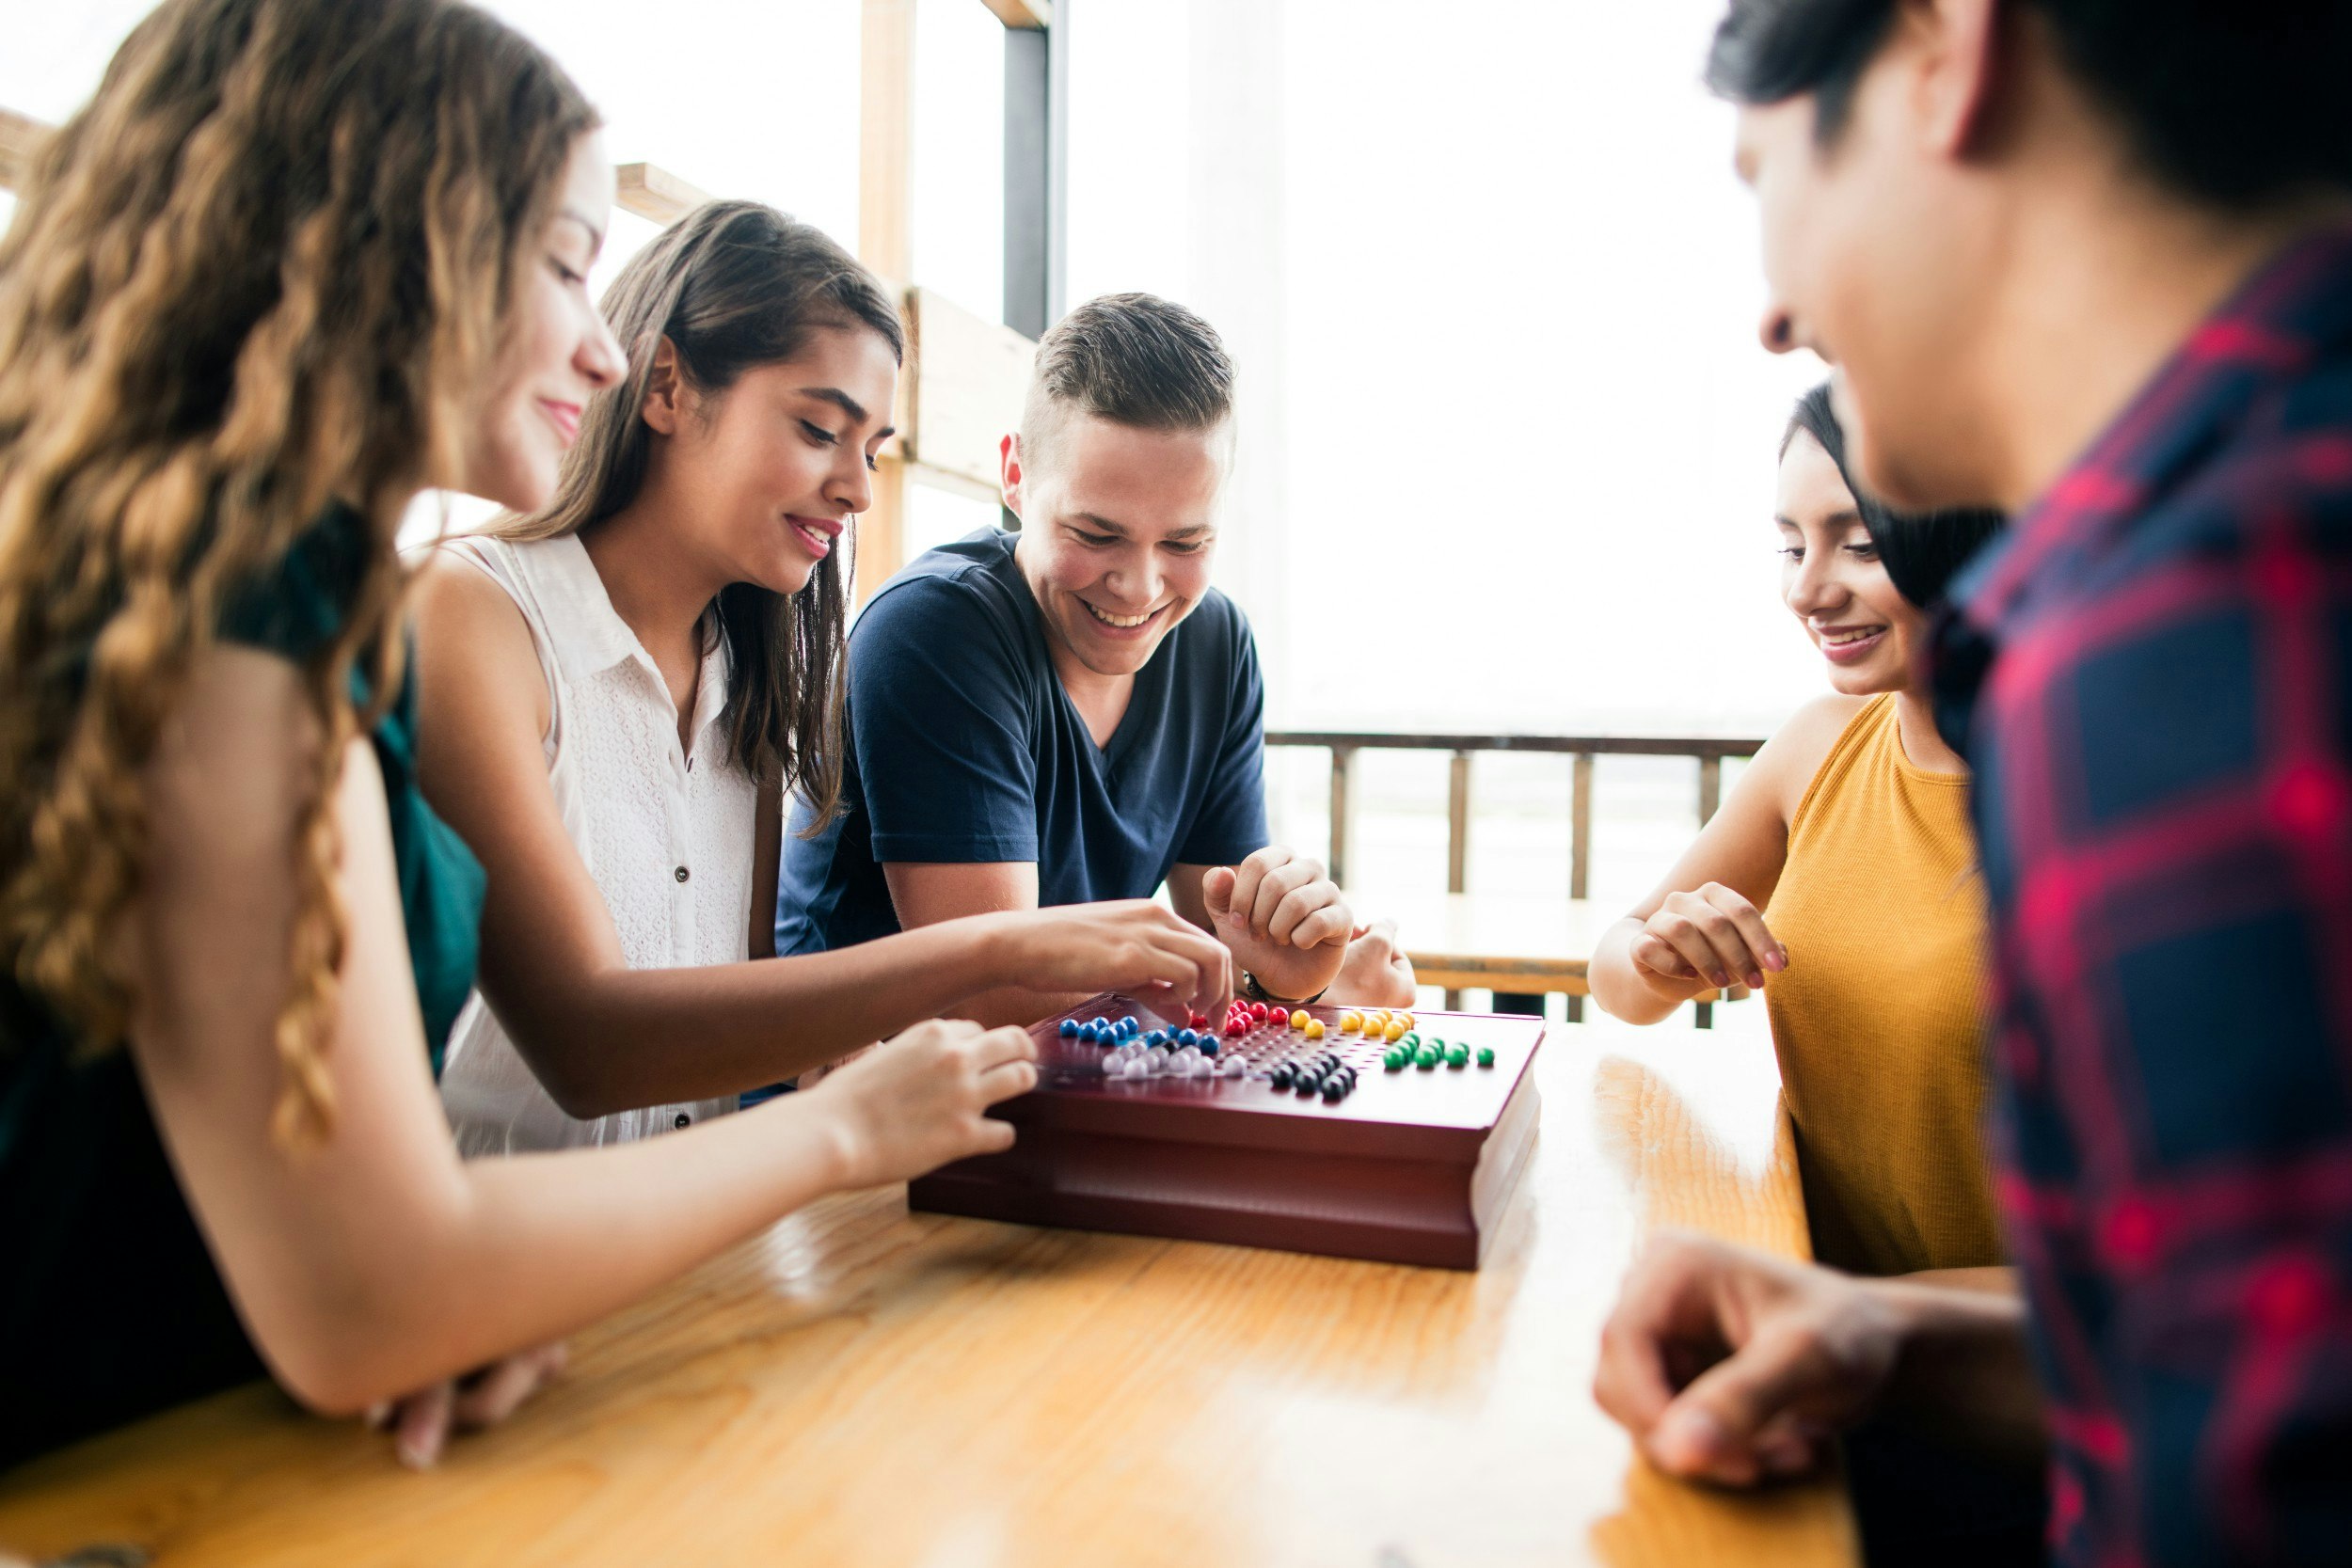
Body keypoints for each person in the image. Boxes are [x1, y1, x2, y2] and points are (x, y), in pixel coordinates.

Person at [0, 0, 1041, 1474]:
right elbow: (373, 1279)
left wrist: (464, 1293)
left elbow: (330, 1232)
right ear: (376, 248)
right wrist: (850, 1128)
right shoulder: (242, 648)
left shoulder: (270, 608)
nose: (601, 351)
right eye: (564, 264)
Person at [1593, 3, 2352, 1565]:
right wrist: (1895, 1336)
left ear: (1947, 51)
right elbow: (2228, 1376)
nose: (1777, 313)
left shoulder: (2203, 620)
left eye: (1767, 178)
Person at [410, 202, 1231, 1154]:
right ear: (666, 386)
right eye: (818, 428)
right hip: (494, 1254)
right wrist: (1000, 947)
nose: (858, 487)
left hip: (696, 1239)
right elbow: (590, 1045)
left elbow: (746, 1006)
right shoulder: (474, 613)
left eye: (872, 447)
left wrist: (848, 1054)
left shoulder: (750, 668)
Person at [1591, 386, 2023, 1561]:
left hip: (2009, 1413)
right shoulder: (1817, 746)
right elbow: (1611, 973)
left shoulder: (2090, 794)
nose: (1806, 586)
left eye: (1860, 543)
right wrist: (1661, 948)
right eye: (1790, 544)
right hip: (1818, 1370)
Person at [774, 293, 1417, 1022]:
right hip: (856, 1106)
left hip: (1064, 1100)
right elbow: (991, 996)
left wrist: (1295, 975)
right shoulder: (933, 631)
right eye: (1096, 532)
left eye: (1185, 542)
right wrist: (1284, 994)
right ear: (1015, 476)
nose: (1139, 588)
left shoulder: (1215, 644)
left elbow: (1225, 949)